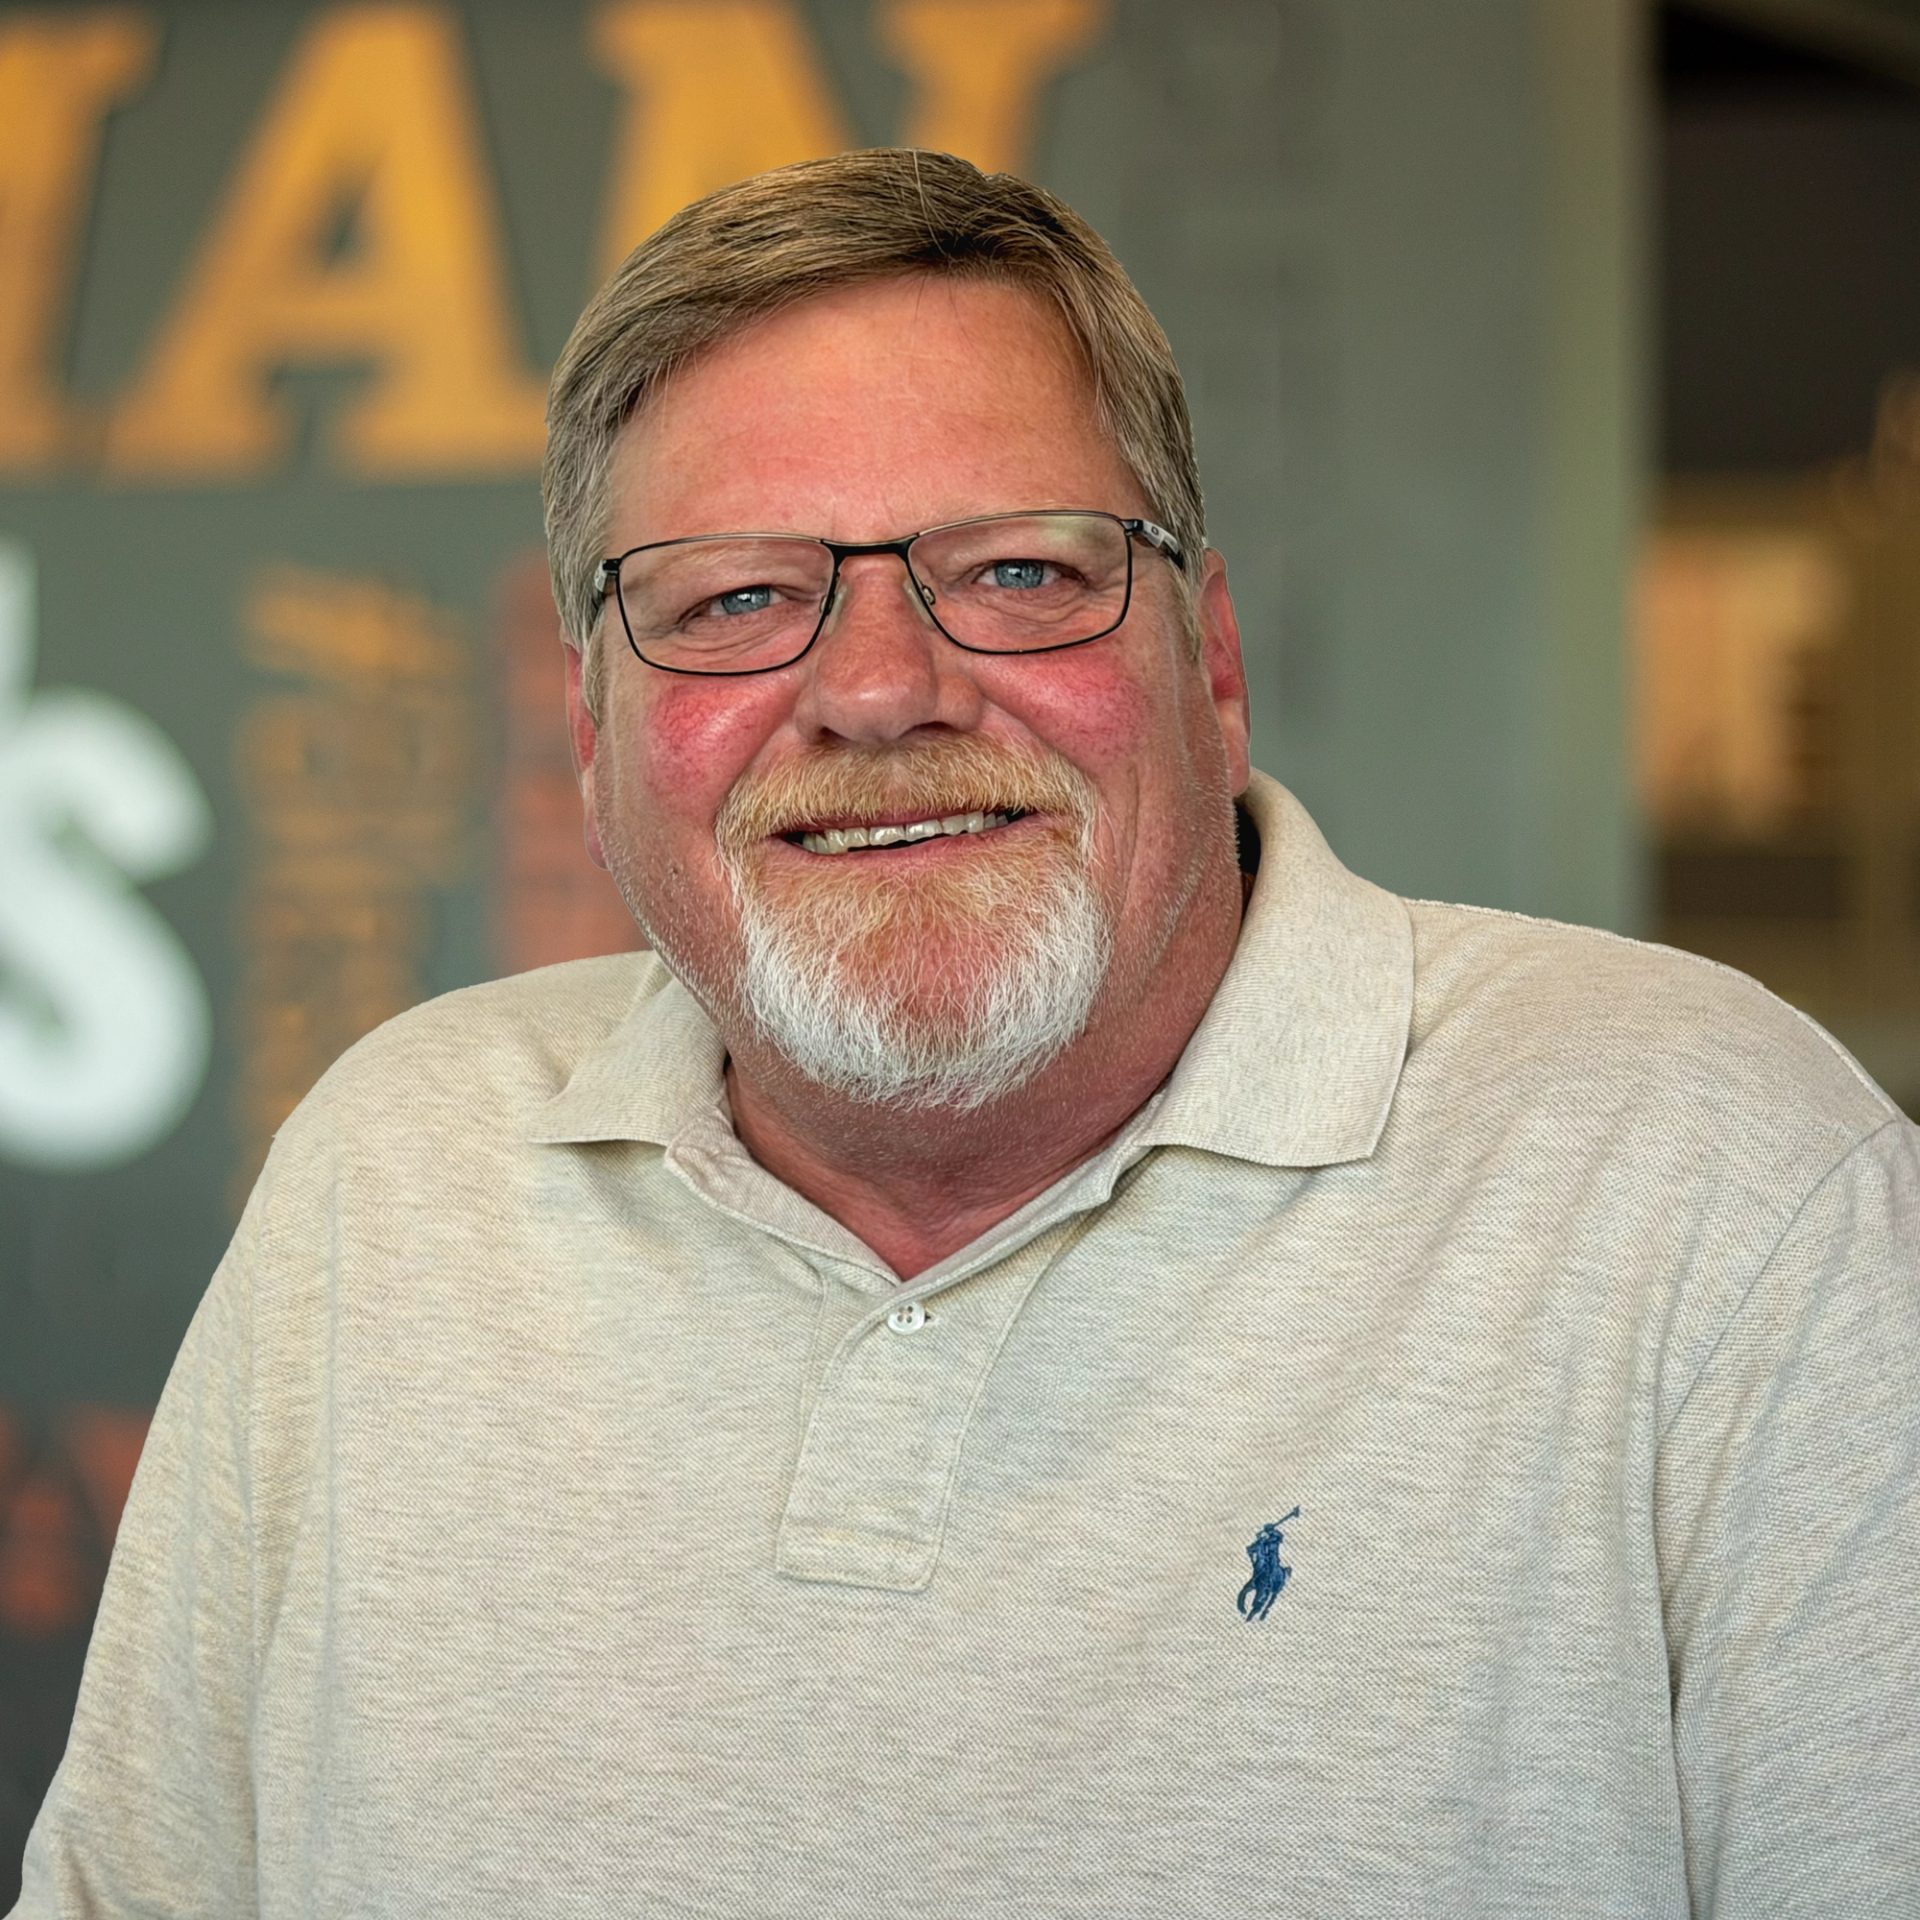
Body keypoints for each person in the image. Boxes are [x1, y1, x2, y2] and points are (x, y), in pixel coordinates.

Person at [12, 149, 1918, 1919]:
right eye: (738, 597)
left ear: (1212, 661)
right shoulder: (395, 1168)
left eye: (1016, 570)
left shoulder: (1709, 1178)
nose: (872, 687)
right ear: (594, 744)